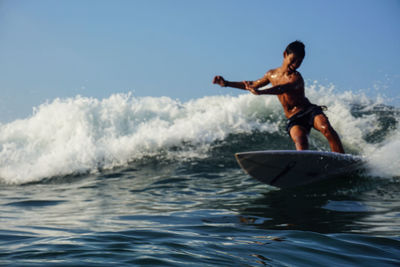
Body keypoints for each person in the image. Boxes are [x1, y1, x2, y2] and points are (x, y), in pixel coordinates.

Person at [212, 41, 345, 153]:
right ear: (284, 55)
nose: (295, 65)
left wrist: (261, 92)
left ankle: (341, 158)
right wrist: (227, 83)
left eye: (299, 62)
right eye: (293, 60)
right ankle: (305, 166)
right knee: (300, 141)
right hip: (294, 118)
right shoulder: (271, 74)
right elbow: (252, 84)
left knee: (326, 128)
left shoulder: (296, 78)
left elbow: (281, 88)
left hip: (309, 111)